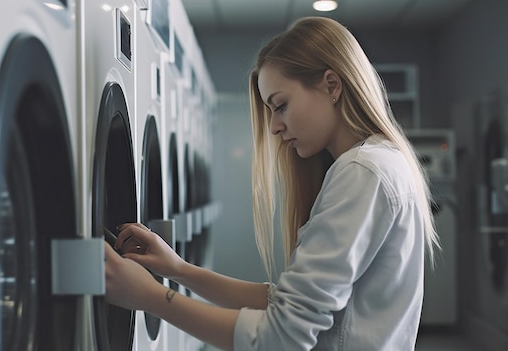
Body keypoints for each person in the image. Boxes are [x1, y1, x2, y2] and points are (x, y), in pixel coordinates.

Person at [104, 16, 440, 350]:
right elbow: (287, 302)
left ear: (332, 85)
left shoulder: (362, 171)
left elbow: (282, 336)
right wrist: (179, 270)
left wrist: (150, 297)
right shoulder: (377, 162)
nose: (275, 127)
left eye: (280, 106)